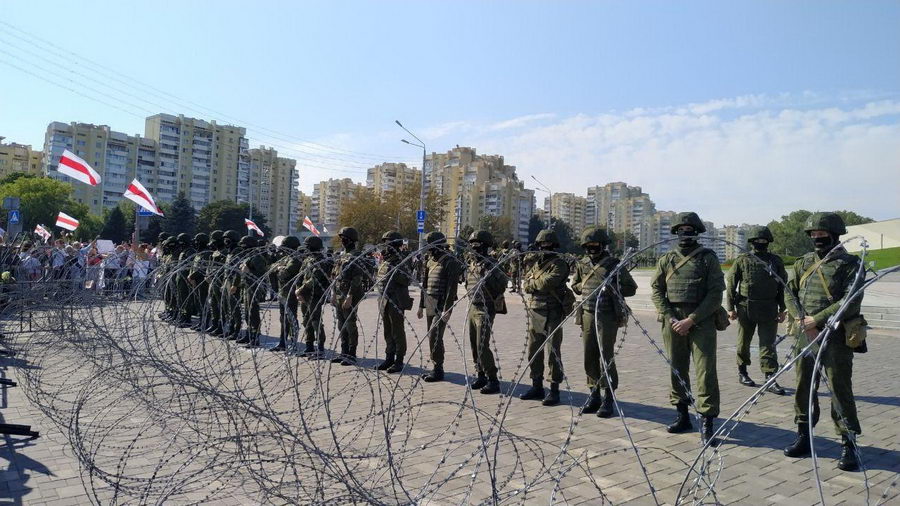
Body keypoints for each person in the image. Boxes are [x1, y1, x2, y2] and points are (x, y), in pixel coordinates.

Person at [783, 212, 865, 472]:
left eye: (821, 234)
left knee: (840, 389)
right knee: (803, 387)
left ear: (835, 234)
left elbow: (850, 301)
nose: (817, 238)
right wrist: (800, 321)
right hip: (804, 336)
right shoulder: (803, 262)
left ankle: (848, 443)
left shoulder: (851, 264)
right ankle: (804, 435)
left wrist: (815, 320)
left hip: (836, 337)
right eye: (813, 234)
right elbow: (789, 292)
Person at [650, 212, 725, 445]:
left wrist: (691, 319)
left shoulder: (707, 258)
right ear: (676, 233)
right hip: (673, 321)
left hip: (700, 319)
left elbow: (715, 293)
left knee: (705, 370)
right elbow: (657, 290)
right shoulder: (666, 260)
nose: (685, 233)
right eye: (681, 229)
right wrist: (671, 317)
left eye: (689, 229)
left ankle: (707, 420)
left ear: (697, 232)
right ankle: (682, 414)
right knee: (677, 367)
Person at [571, 226, 637, 417]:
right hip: (587, 314)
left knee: (605, 355)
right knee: (589, 354)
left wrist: (612, 287)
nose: (592, 249)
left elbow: (631, 288)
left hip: (607, 315)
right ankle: (594, 394)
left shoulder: (613, 264)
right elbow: (575, 284)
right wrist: (582, 287)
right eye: (588, 245)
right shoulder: (583, 264)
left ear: (603, 245)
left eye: (595, 245)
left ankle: (608, 396)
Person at [725, 225, 788, 394]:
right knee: (743, 342)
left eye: (763, 240)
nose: (760, 243)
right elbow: (731, 284)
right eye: (757, 240)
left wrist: (783, 308)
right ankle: (742, 372)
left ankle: (770, 376)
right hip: (746, 307)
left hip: (769, 307)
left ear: (768, 242)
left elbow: (782, 286)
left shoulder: (775, 261)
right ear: (752, 242)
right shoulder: (742, 260)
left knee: (768, 344)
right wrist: (730, 308)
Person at [521, 229, 571, 406]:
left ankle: (554, 389)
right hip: (536, 311)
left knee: (553, 352)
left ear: (554, 245)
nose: (544, 247)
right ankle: (537, 385)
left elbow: (547, 283)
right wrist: (533, 284)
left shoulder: (559, 264)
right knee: (534, 350)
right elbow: (526, 285)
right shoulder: (536, 265)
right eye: (541, 244)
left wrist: (533, 283)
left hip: (553, 312)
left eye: (548, 244)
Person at [464, 230, 507, 394]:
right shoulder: (472, 263)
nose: (474, 248)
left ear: (486, 246)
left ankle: (493, 379)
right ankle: (480, 374)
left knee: (482, 345)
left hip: (485, 308)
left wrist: (490, 275)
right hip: (472, 306)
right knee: (474, 345)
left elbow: (502, 285)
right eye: (472, 245)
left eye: (478, 245)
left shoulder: (492, 264)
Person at [418, 231, 463, 382]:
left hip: (441, 303)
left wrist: (447, 309)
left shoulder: (450, 262)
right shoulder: (430, 261)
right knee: (431, 336)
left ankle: (438, 369)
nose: (428, 249)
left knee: (435, 336)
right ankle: (436, 366)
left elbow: (451, 288)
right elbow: (425, 284)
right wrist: (421, 306)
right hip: (430, 302)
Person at [373, 231, 412, 373]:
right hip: (384, 299)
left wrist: (394, 272)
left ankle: (399, 359)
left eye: (388, 243)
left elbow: (406, 279)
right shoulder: (386, 260)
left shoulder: (403, 259)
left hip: (396, 299)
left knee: (397, 331)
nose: (386, 247)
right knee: (387, 331)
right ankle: (389, 356)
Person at [331, 227, 367, 365]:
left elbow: (357, 278)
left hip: (350, 294)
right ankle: (343, 351)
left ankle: (352, 353)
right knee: (341, 324)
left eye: (344, 238)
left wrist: (350, 296)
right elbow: (334, 275)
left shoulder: (356, 255)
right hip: (340, 293)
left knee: (350, 324)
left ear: (350, 240)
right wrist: (333, 293)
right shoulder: (342, 255)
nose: (342, 241)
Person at [296, 235, 332, 358]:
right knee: (306, 320)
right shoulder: (307, 260)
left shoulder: (321, 261)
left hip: (315, 295)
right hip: (304, 295)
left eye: (308, 247)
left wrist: (300, 290)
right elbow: (300, 276)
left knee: (315, 321)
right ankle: (309, 346)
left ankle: (320, 347)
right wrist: (298, 291)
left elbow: (315, 278)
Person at [271, 236, 303, 352]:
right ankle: (282, 341)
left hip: (290, 293)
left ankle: (293, 341)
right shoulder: (286, 259)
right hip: (283, 292)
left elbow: (284, 274)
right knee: (283, 318)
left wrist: (279, 269)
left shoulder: (296, 260)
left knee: (291, 318)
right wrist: (279, 268)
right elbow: (272, 267)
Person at [236, 235, 267, 347]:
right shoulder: (248, 256)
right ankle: (249, 333)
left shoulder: (257, 257)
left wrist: (248, 269)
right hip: (247, 286)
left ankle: (255, 336)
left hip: (254, 287)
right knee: (247, 312)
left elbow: (261, 273)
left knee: (253, 312)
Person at [205, 231, 227, 336]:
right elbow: (210, 266)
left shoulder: (225, 253)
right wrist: (207, 275)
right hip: (212, 281)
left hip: (220, 281)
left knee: (221, 304)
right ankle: (214, 323)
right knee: (213, 303)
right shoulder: (215, 252)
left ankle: (221, 324)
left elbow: (224, 268)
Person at [187, 234, 211, 330]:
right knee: (198, 302)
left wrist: (192, 276)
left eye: (197, 241)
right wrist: (190, 277)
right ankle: (201, 321)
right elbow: (193, 267)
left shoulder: (206, 254)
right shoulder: (198, 254)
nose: (195, 243)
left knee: (203, 302)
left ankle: (205, 322)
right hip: (195, 281)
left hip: (202, 281)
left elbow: (203, 268)